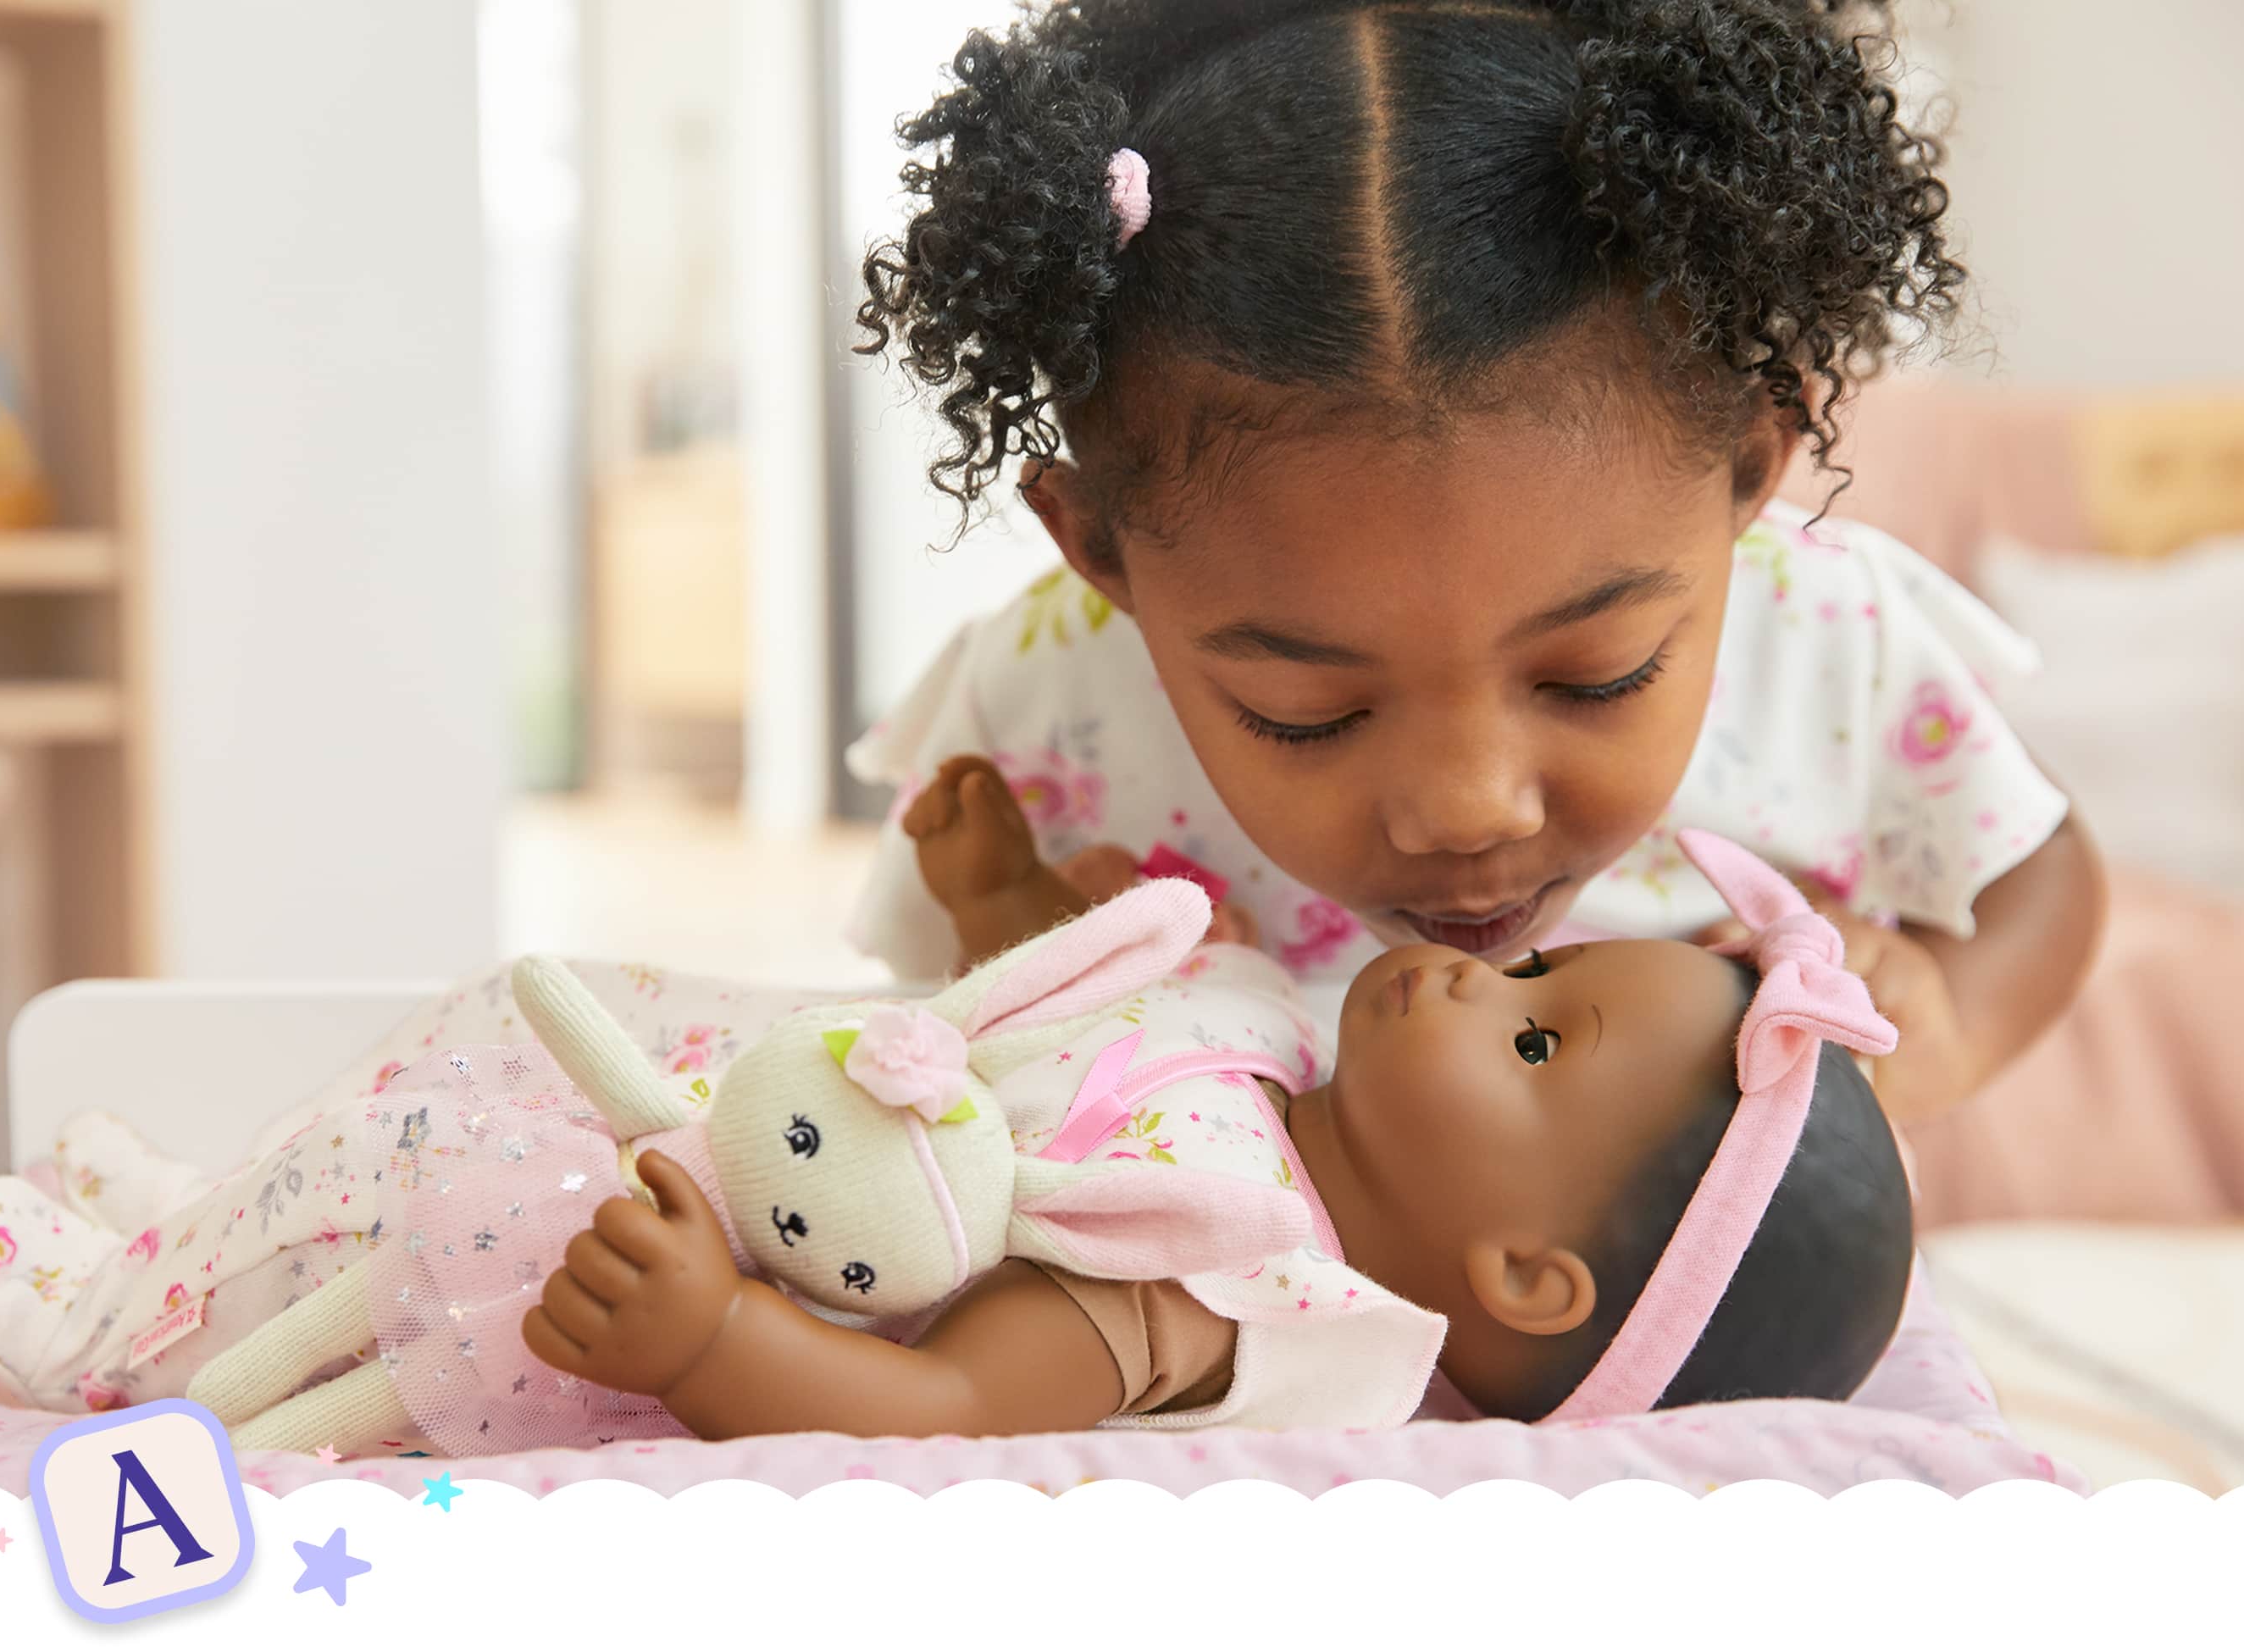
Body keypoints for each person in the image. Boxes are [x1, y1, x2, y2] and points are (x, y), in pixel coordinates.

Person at [843, 0, 2103, 1126]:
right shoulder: (1049, 699)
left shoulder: (1822, 633)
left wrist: (1950, 1013)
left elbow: (2036, 866)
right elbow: (907, 1030)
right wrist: (1023, 950)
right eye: (1310, 713)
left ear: (1748, 472)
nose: (1470, 806)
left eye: (1597, 677)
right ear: (1098, 549)